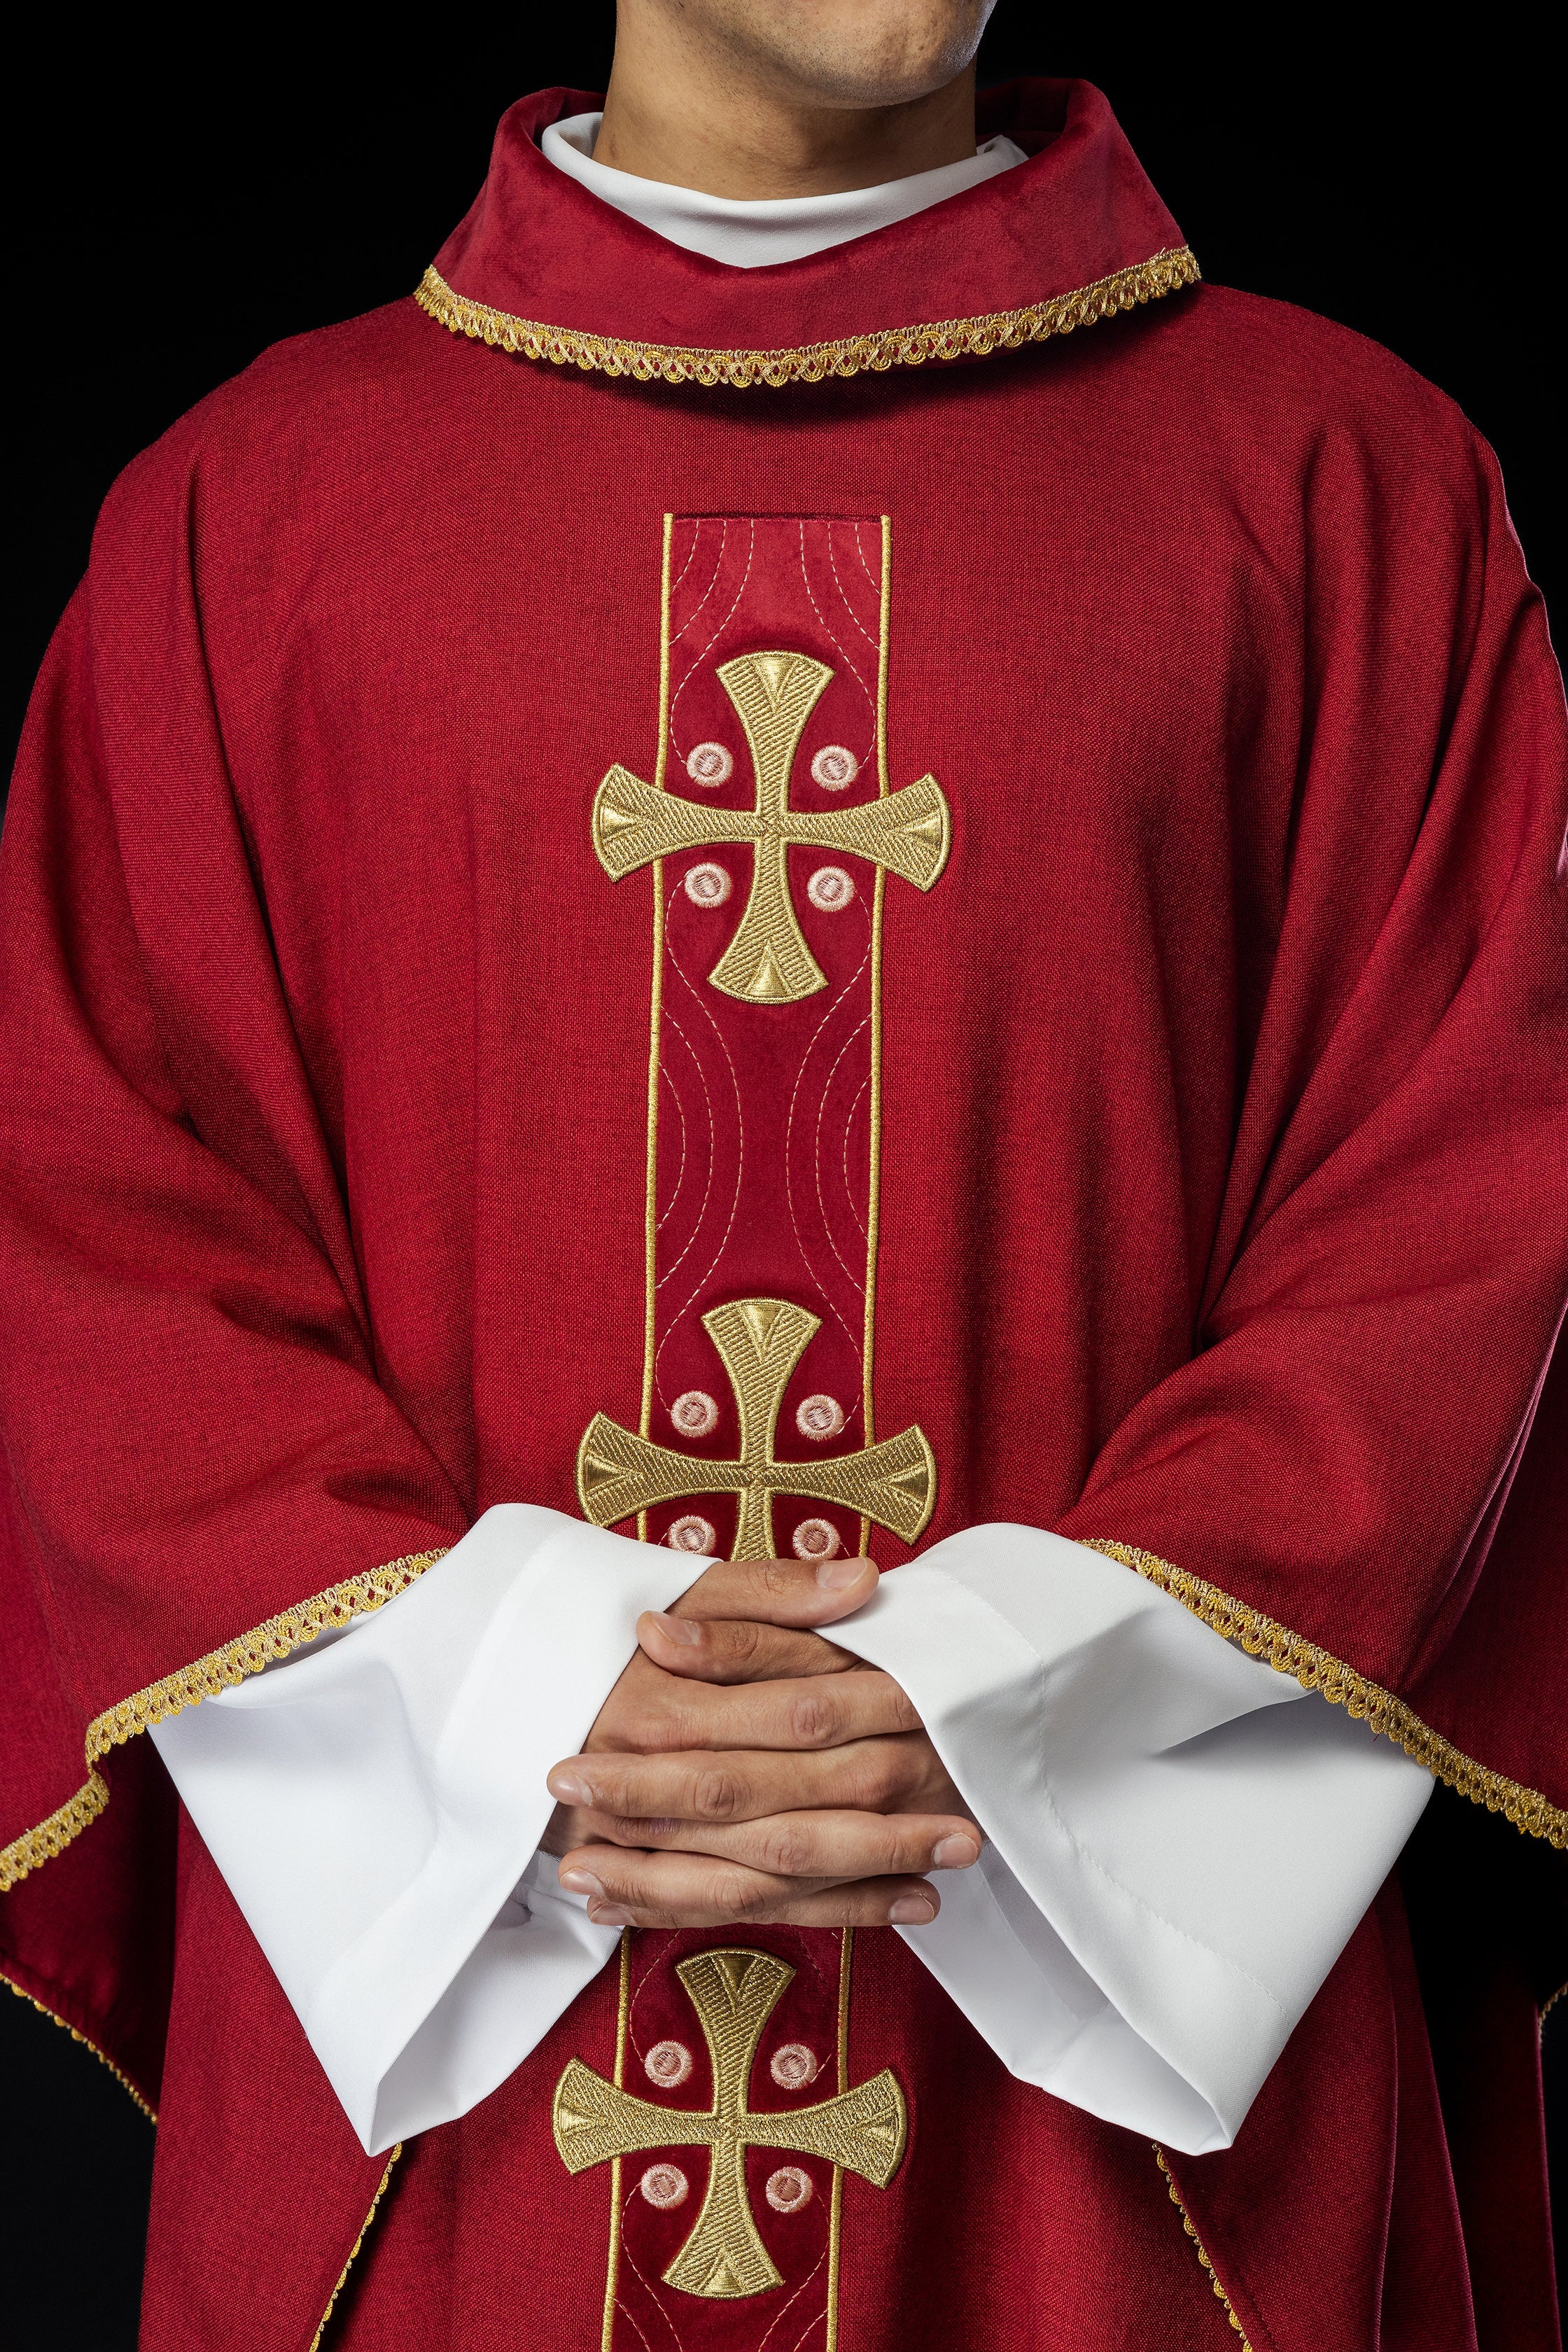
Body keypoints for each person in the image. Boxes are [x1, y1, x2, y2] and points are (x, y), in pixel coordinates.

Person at [1, 4, 1564, 2345]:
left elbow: (1466, 1206)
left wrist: (1010, 1700)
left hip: (1105, 2139)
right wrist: (511, 1694)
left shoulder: (1348, 491)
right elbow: (96, 1223)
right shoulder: (248, 520)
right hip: (473, 2095)